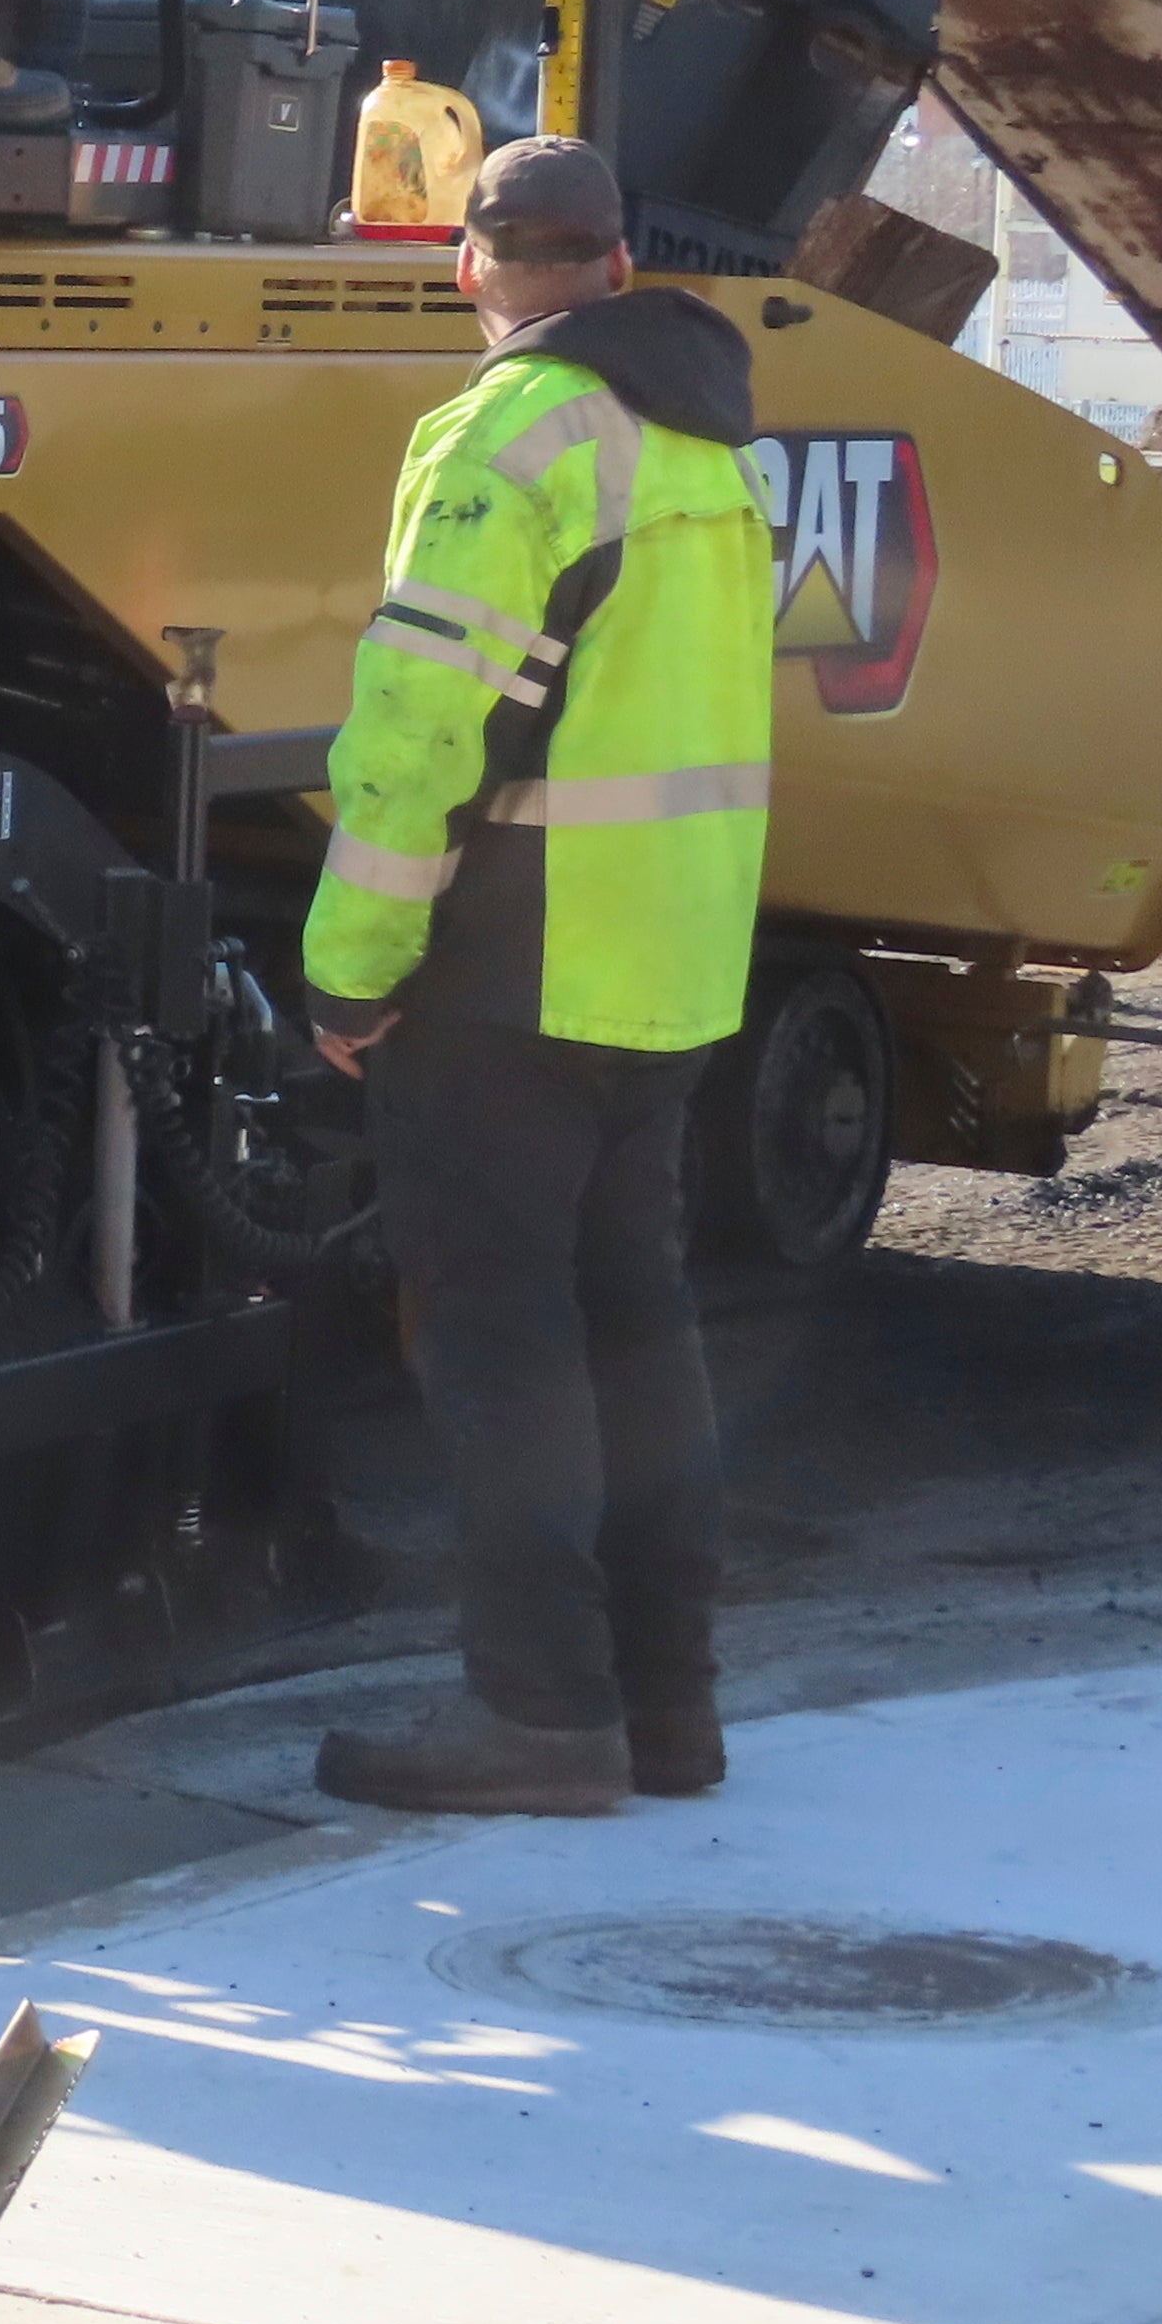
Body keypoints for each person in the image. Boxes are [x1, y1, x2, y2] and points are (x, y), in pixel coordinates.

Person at [298, 136, 774, 1818]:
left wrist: (348, 972)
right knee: (638, 1331)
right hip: (671, 964)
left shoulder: (505, 435)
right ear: (621, 266)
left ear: (466, 267)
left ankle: (538, 1720)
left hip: (511, 969)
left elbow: (417, 730)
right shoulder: (710, 437)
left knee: (498, 1350)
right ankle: (667, 1714)